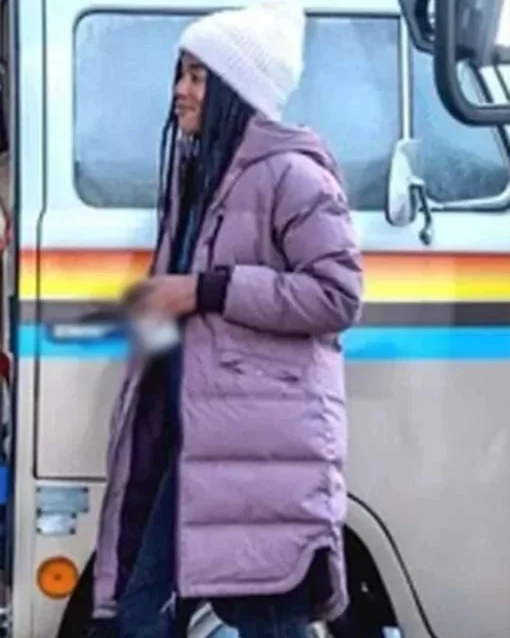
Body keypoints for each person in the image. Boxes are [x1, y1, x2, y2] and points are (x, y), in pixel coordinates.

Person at [84, 2, 363, 637]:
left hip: (258, 452)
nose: (179, 92)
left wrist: (207, 291)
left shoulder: (294, 175)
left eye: (197, 77)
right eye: (180, 75)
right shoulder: (197, 177)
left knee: (265, 616)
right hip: (200, 444)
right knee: (137, 615)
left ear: (239, 91)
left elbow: (338, 295)